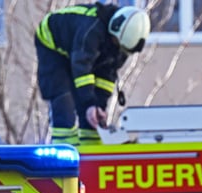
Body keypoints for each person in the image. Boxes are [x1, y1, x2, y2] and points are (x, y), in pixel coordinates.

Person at [34, 4, 150, 146]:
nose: (117, 49)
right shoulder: (91, 29)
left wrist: (98, 107)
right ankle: (64, 151)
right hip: (52, 45)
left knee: (92, 116)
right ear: (114, 30)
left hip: (76, 53)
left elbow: (106, 77)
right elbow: (81, 67)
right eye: (116, 43)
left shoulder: (122, 45)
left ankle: (91, 149)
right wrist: (89, 103)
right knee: (63, 98)